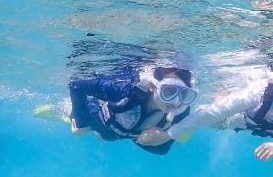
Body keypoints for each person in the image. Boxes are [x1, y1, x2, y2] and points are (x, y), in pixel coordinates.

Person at [137, 69, 273, 177]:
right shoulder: (261, 91)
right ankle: (219, 94)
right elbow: (211, 113)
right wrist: (168, 134)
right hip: (240, 121)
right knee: (216, 119)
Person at [51, 65, 197, 155]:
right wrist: (81, 122)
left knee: (103, 137)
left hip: (118, 134)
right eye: (169, 92)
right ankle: (62, 112)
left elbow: (162, 150)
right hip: (95, 120)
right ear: (153, 86)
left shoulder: (181, 110)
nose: (176, 102)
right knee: (78, 127)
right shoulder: (126, 89)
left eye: (184, 94)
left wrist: (164, 136)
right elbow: (77, 85)